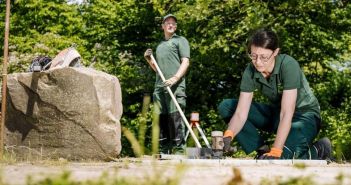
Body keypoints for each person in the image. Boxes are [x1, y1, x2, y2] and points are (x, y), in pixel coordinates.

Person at [218, 28, 332, 160]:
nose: (258, 62)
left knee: (283, 158)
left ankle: (320, 149)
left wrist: (277, 150)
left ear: (276, 52)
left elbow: (287, 113)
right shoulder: (250, 70)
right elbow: (240, 113)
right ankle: (261, 149)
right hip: (278, 114)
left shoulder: (288, 65)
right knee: (227, 106)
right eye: (253, 56)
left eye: (264, 57)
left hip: (304, 116)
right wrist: (228, 136)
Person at [144, 14, 190, 154]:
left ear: (175, 27)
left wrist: (175, 78)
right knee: (160, 118)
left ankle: (179, 150)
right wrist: (148, 59)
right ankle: (163, 150)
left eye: (173, 23)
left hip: (176, 86)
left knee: (175, 117)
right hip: (160, 86)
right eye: (167, 23)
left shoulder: (180, 41)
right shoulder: (160, 46)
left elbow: (186, 62)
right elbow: (158, 70)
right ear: (162, 26)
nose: (171, 25)